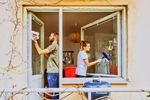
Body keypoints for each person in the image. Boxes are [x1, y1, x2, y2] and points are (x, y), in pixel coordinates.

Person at [32, 32, 59, 99]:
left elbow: (40, 52)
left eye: (50, 35)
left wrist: (35, 42)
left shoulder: (53, 45)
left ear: (55, 37)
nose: (49, 37)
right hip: (54, 72)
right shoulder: (55, 47)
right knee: (55, 93)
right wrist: (44, 51)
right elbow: (47, 56)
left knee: (54, 94)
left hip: (52, 73)